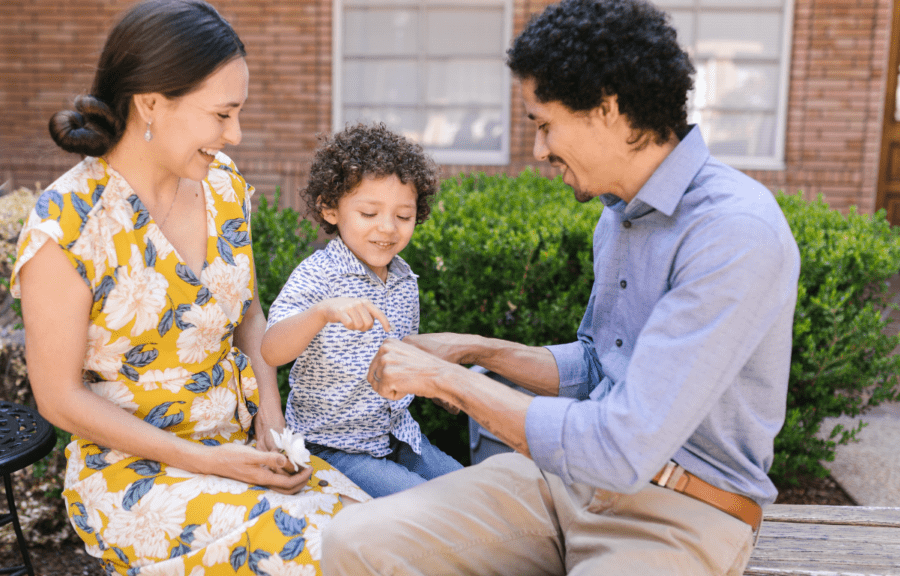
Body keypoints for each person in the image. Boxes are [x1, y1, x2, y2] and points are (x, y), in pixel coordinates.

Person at [322, 0, 801, 574]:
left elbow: (623, 445)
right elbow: (603, 366)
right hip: (559, 485)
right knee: (355, 540)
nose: (538, 150)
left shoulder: (732, 233)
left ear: (608, 111)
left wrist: (446, 380)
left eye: (544, 124)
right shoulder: (618, 214)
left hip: (679, 510)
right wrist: (473, 351)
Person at [11, 2, 368, 574]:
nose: (236, 133)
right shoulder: (67, 224)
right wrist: (206, 461)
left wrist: (272, 426)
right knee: (310, 550)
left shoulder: (224, 185)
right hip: (133, 476)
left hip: (242, 450)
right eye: (222, 114)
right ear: (151, 103)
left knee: (375, 533)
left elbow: (249, 316)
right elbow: (57, 398)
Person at [260, 123, 463, 498]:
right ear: (330, 208)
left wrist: (438, 387)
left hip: (398, 436)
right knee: (429, 508)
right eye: (369, 213)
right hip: (334, 448)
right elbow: (271, 349)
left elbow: (404, 360)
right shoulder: (319, 274)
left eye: (404, 216)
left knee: (478, 492)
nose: (387, 228)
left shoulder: (404, 280)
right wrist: (321, 312)